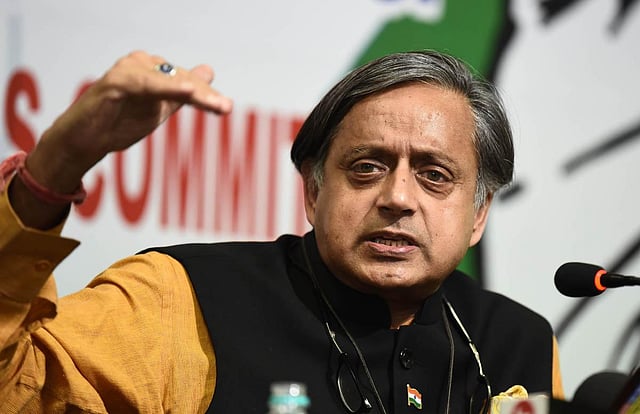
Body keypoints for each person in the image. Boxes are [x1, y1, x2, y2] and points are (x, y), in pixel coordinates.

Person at [0, 50, 563, 413]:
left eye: (434, 175)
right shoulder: (182, 298)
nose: (397, 197)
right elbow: (16, 390)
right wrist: (55, 168)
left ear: (478, 214)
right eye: (367, 167)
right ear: (313, 192)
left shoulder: (519, 343)